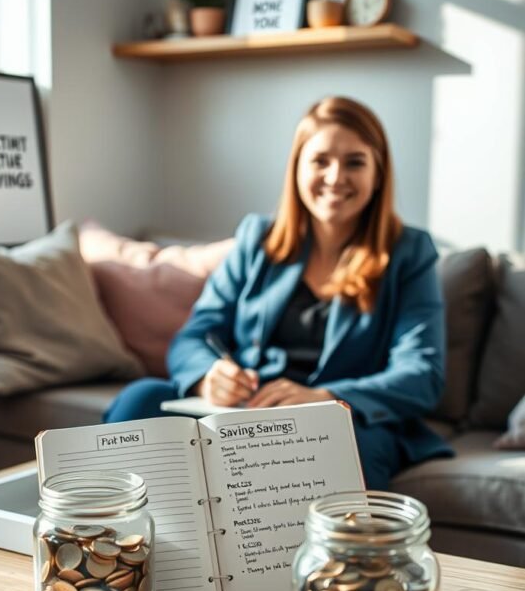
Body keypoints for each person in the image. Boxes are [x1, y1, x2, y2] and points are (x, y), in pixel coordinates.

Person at [104, 96, 453, 489]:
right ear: (298, 168)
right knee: (140, 400)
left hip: (341, 420)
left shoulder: (409, 252)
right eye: (320, 160)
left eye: (355, 161)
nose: (336, 176)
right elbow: (196, 335)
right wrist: (208, 376)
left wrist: (324, 396)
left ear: (378, 174)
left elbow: (422, 374)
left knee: (345, 454)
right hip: (246, 410)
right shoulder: (257, 238)